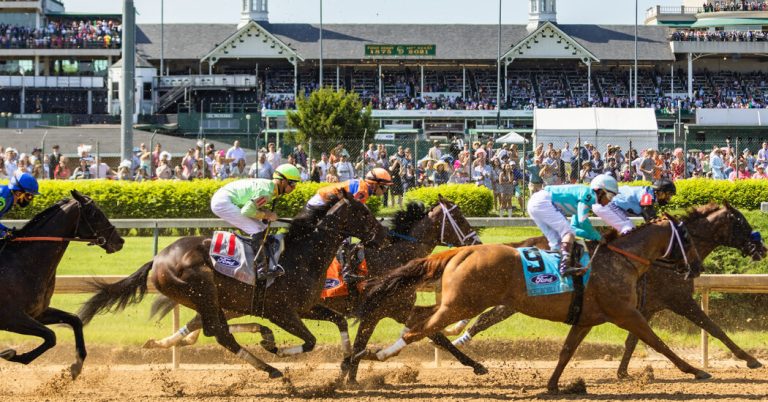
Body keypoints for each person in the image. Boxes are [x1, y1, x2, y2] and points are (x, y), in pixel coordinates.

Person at [210, 164, 301, 280]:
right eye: (292, 183)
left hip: (225, 198)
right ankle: (262, 270)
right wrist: (267, 214)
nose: (294, 187)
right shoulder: (267, 192)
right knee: (256, 228)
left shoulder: (270, 188)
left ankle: (261, 257)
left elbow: (251, 205)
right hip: (222, 202)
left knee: (261, 226)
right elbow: (247, 210)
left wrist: (264, 214)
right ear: (282, 181)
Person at [305, 168, 393, 285]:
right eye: (385, 187)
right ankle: (346, 272)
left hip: (323, 204)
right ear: (375, 184)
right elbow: (356, 212)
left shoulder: (362, 187)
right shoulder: (363, 189)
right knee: (345, 239)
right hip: (320, 205)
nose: (385, 191)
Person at [526, 174, 618, 276]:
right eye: (610, 196)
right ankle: (564, 267)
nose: (610, 201)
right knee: (568, 233)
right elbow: (583, 222)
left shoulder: (584, 198)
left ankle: (554, 272)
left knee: (556, 242)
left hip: (535, 202)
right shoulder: (589, 195)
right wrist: (597, 236)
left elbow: (575, 227)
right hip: (543, 201)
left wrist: (595, 236)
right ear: (600, 191)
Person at [592, 179, 677, 235]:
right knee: (628, 228)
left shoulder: (649, 194)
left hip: (609, 204)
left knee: (631, 229)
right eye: (668, 195)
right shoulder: (647, 196)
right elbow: (651, 219)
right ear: (660, 192)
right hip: (607, 203)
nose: (668, 198)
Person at [0, 172, 40, 239]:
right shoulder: (3, 197)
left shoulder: (9, 198)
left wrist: (7, 229)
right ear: (18, 193)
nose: (29, 199)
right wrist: (3, 234)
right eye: (29, 196)